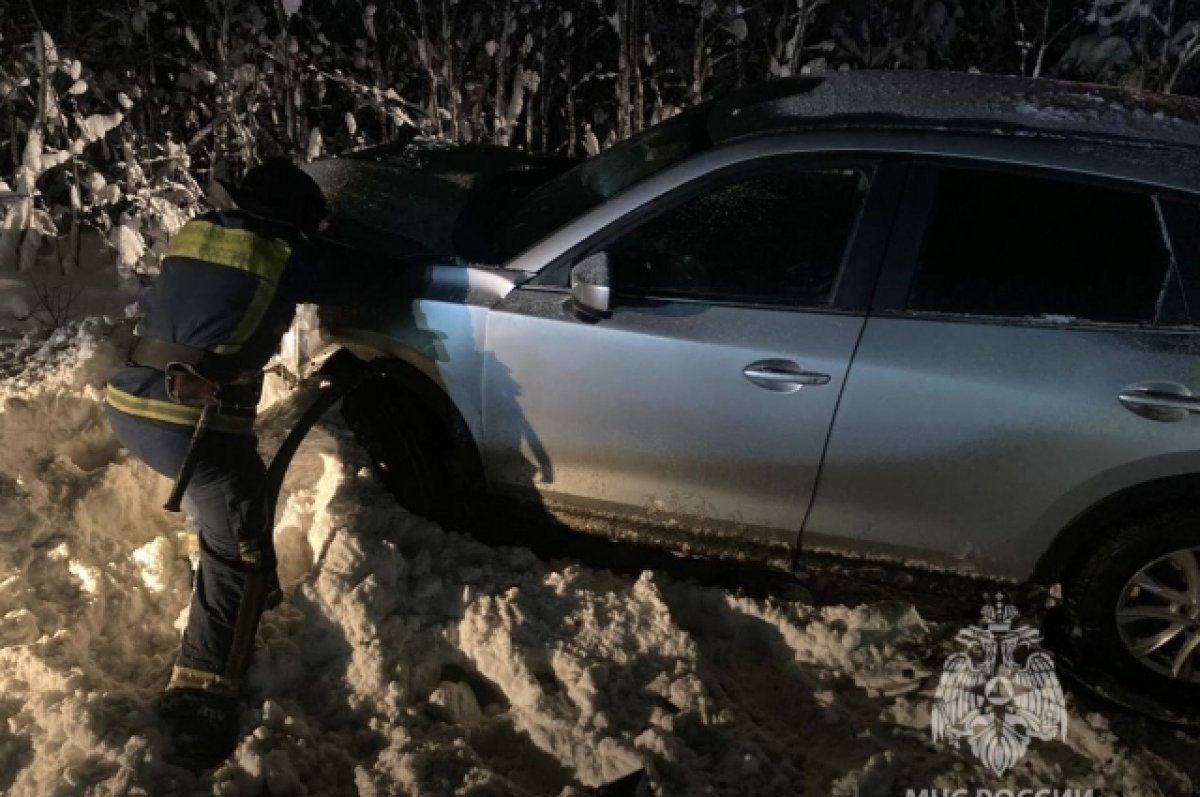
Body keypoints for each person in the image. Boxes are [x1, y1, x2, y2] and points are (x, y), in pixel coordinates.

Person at [105, 158, 372, 768]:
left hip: (131, 402)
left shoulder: (200, 229)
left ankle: (234, 585)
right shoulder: (286, 253)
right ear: (295, 223)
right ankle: (201, 694)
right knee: (238, 551)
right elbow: (361, 279)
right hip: (188, 426)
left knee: (229, 502)